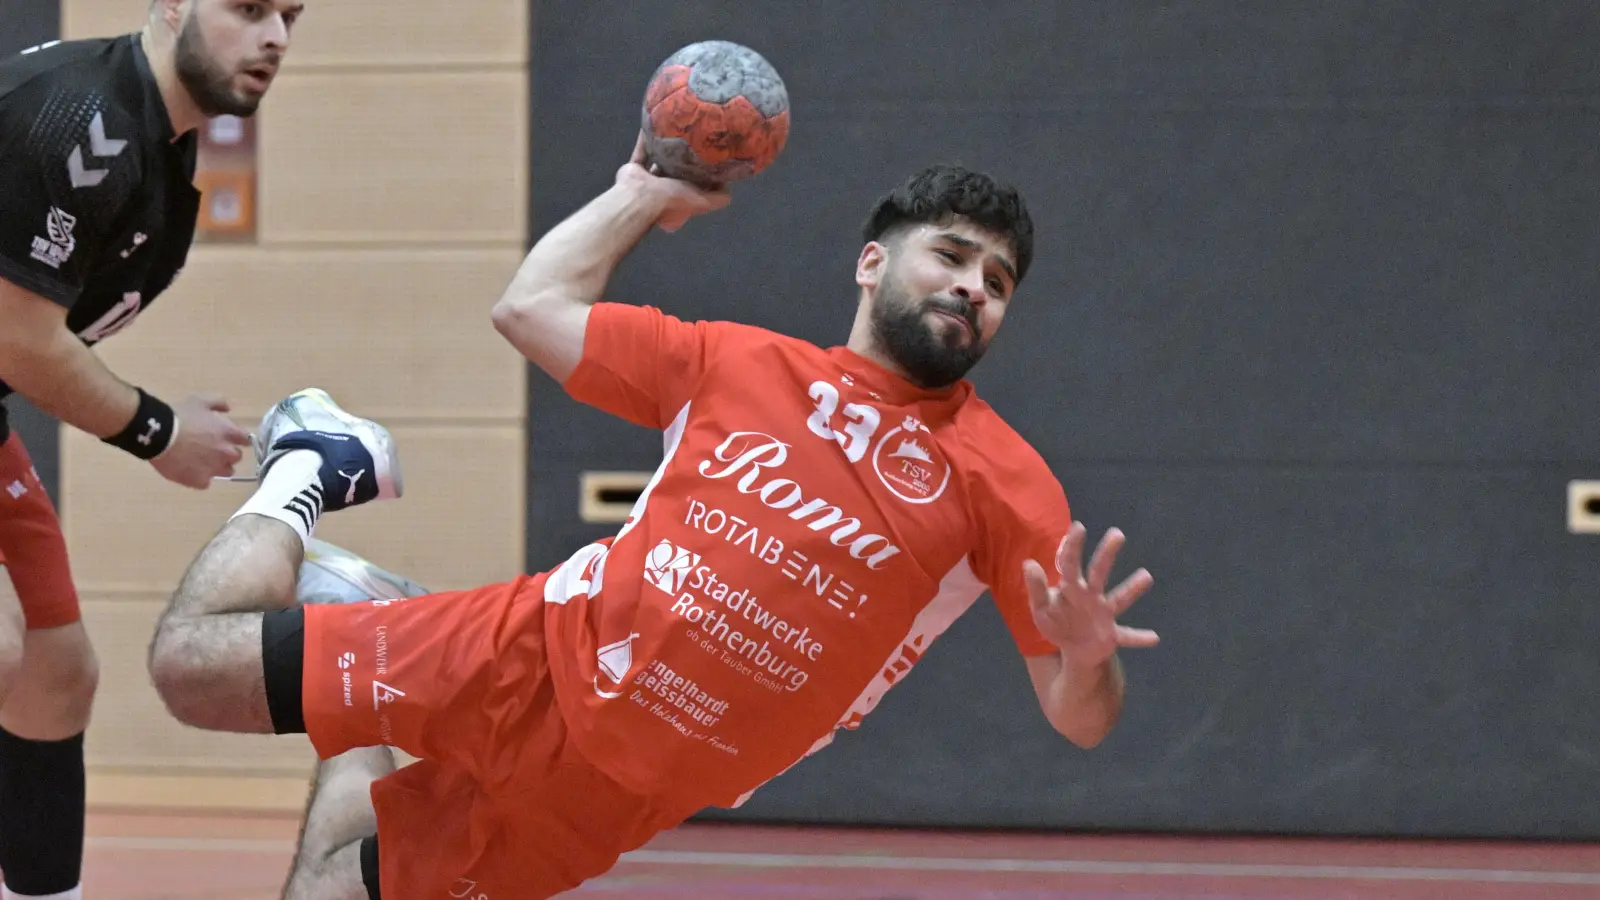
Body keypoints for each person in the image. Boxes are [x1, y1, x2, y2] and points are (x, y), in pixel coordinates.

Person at [144, 139, 1163, 900]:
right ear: (871, 264)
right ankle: (312, 468)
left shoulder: (1006, 480)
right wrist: (642, 190)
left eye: (997, 283)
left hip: (627, 792)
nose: (973, 289)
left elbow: (1081, 719)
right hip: (535, 653)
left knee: (331, 889)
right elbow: (531, 310)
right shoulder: (737, 362)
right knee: (191, 668)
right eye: (951, 257)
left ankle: (363, 637)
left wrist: (1085, 659)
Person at [0, 2, 302, 897]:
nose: (276, 36)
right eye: (249, 8)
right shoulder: (81, 118)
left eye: (291, 15)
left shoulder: (161, 147)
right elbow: (17, 337)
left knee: (56, 672)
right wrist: (158, 431)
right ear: (172, 4)